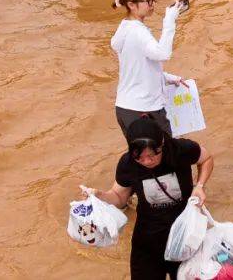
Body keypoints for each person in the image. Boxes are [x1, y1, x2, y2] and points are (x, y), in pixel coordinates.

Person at [80, 116, 214, 280]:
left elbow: (206, 159)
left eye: (152, 155)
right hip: (148, 238)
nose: (147, 161)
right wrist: (98, 195)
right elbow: (118, 197)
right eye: (140, 158)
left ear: (161, 144)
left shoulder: (180, 149)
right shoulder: (128, 164)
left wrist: (199, 186)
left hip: (185, 235)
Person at [111, 0, 190, 141]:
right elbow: (163, 54)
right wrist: (169, 20)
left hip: (125, 109)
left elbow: (139, 68)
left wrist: (169, 78)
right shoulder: (139, 32)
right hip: (145, 109)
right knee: (168, 157)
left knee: (145, 161)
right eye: (149, 1)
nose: (153, 4)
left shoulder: (124, 27)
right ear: (132, 5)